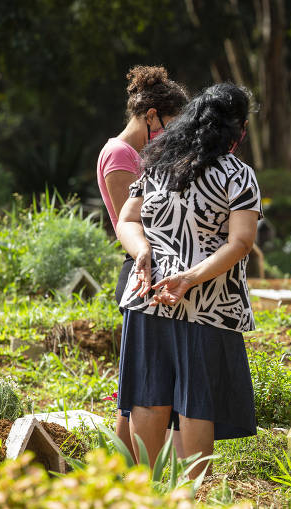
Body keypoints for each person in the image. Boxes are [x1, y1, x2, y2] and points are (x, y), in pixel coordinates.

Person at [116, 83, 260, 476]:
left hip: (147, 293)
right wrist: (192, 278)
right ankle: (193, 496)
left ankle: (147, 491)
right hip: (208, 302)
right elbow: (242, 242)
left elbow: (126, 220)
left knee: (147, 394)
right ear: (239, 130)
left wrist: (141, 253)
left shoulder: (157, 161)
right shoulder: (238, 174)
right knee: (197, 400)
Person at [96, 65, 188, 452]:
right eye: (170, 123)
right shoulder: (120, 154)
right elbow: (130, 223)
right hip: (140, 268)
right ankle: (124, 471)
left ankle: (128, 473)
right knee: (140, 388)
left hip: (150, 269)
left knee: (144, 384)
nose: (172, 133)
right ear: (151, 116)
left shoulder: (137, 153)